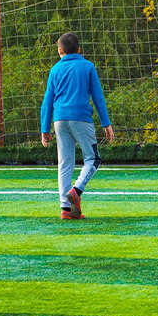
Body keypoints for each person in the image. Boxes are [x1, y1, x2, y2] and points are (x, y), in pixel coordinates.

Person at [41, 32, 114, 220]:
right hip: (81, 118)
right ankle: (76, 190)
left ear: (59, 51)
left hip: (59, 120)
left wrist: (44, 129)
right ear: (80, 50)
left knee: (65, 163)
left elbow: (47, 101)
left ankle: (66, 209)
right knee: (93, 159)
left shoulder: (55, 70)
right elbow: (98, 97)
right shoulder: (88, 66)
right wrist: (106, 123)